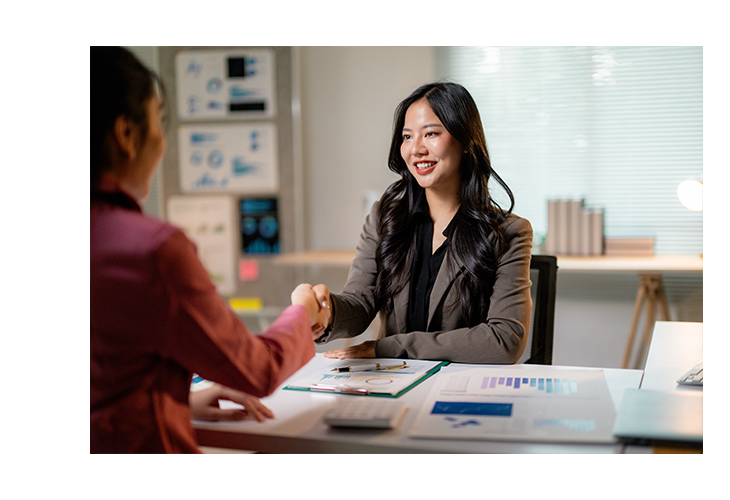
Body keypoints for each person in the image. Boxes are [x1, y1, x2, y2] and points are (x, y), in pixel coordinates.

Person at [90, 46, 326, 457]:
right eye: (160, 120)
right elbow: (259, 368)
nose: (163, 142)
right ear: (127, 134)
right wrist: (302, 311)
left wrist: (174, 399)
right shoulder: (152, 251)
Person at [310, 82, 533, 364]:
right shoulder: (385, 218)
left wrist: (392, 348)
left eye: (430, 134)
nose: (416, 149)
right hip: (392, 387)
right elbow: (360, 303)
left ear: (465, 141)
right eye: (406, 137)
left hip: (463, 390)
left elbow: (505, 340)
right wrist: (326, 312)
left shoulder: (509, 232)